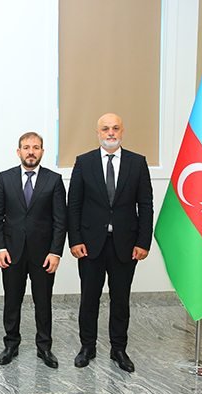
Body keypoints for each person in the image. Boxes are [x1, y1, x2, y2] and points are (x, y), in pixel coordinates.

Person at [68, 113, 153, 373]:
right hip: (90, 245)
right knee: (89, 299)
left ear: (122, 131)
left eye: (115, 128)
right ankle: (87, 347)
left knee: (121, 299)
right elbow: (74, 205)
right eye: (105, 129)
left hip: (125, 245)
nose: (111, 133)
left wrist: (143, 242)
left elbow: (146, 205)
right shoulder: (84, 162)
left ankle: (119, 349)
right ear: (98, 133)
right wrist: (75, 240)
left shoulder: (137, 162)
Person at [0, 132, 67, 368]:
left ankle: (44, 347)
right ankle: (11, 344)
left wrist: (55, 252)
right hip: (11, 252)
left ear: (42, 152)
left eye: (36, 147)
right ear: (19, 152)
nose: (31, 152)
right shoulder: (4, 178)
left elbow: (60, 221)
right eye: (26, 147)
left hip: (43, 255)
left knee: (43, 302)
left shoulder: (54, 180)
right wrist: (0, 248)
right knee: (11, 301)